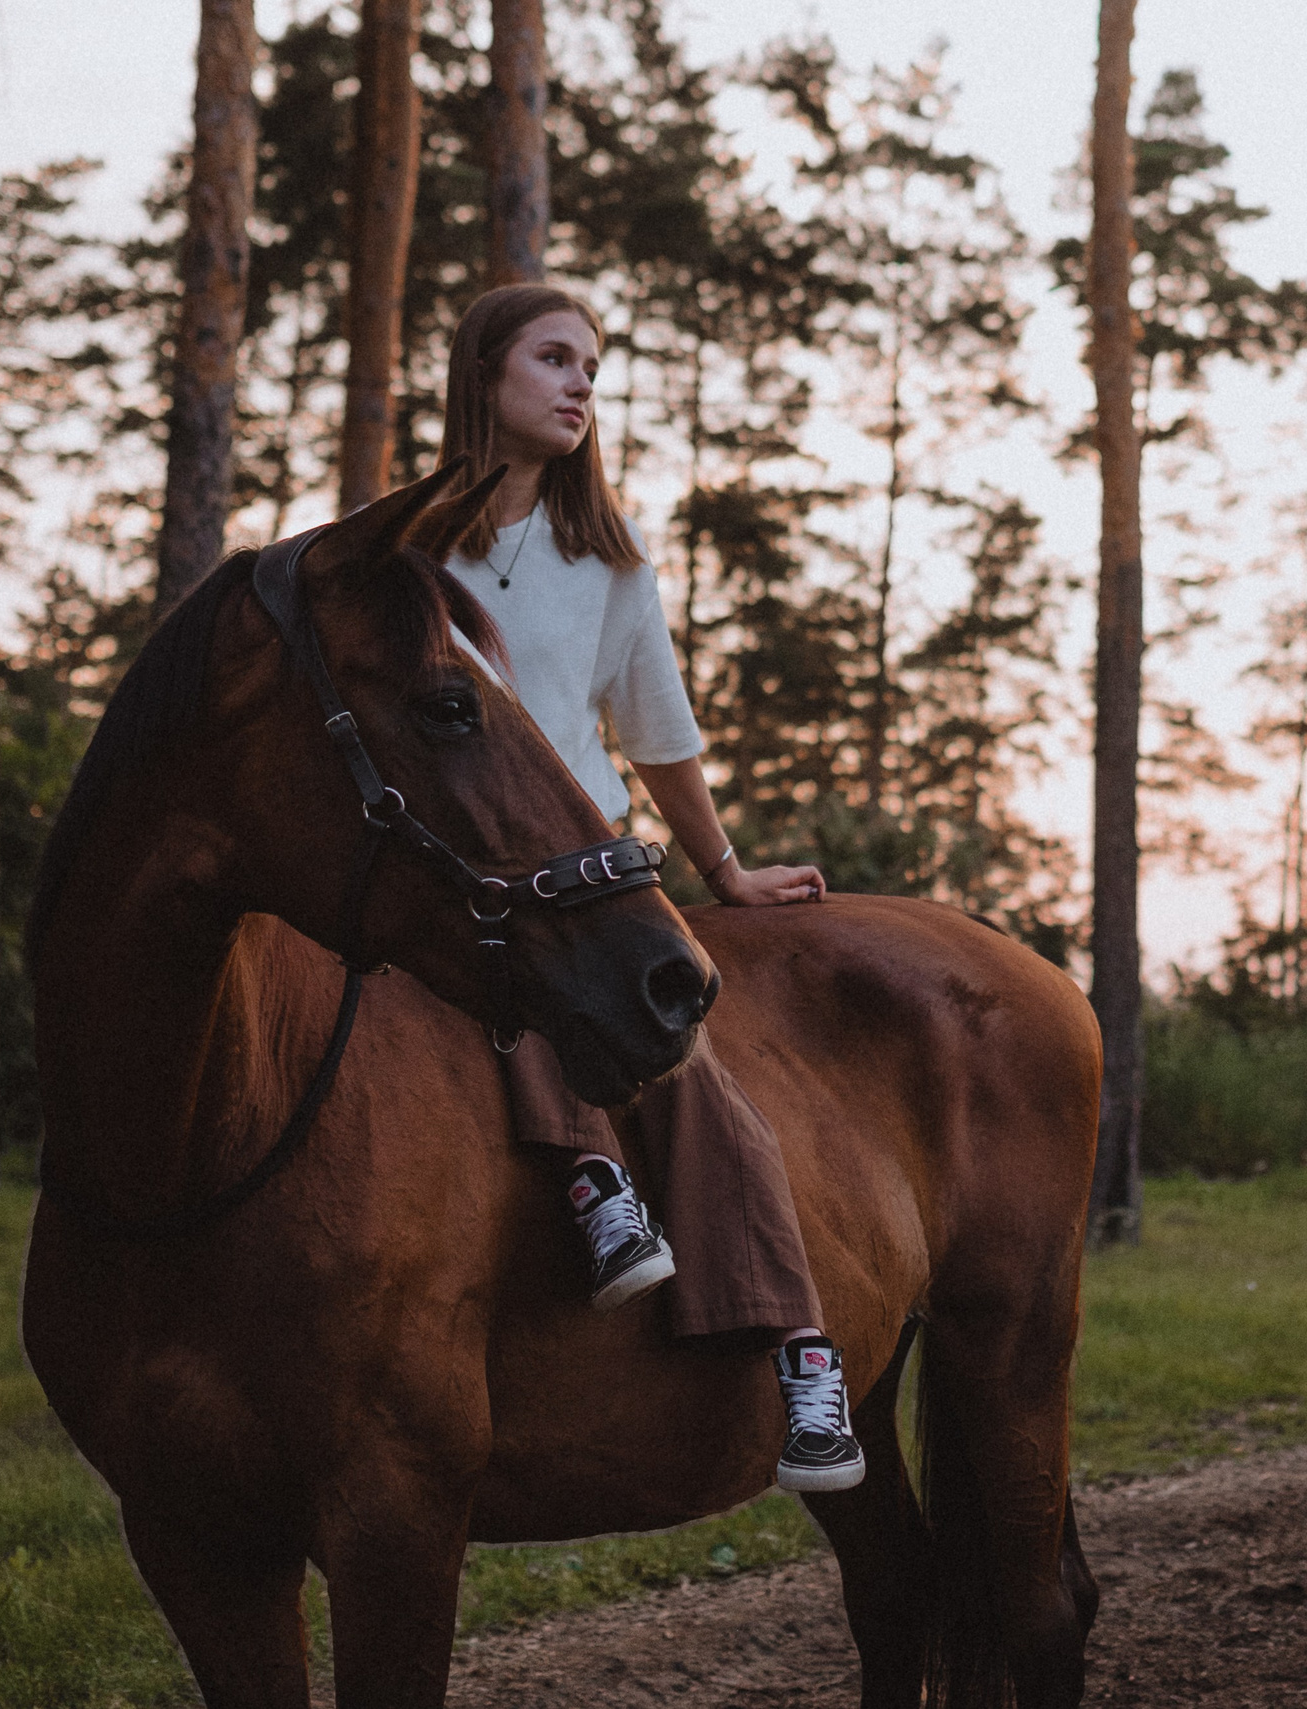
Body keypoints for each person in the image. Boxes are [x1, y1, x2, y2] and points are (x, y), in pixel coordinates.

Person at [432, 283, 862, 1494]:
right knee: (480, 957)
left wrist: (724, 869)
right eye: (554, 358)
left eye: (592, 367)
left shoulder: (609, 563)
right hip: (454, 874)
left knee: (692, 1068)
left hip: (592, 871)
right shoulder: (400, 553)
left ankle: (802, 1355)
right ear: (484, 373)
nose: (580, 385)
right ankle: (591, 1173)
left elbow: (657, 731)